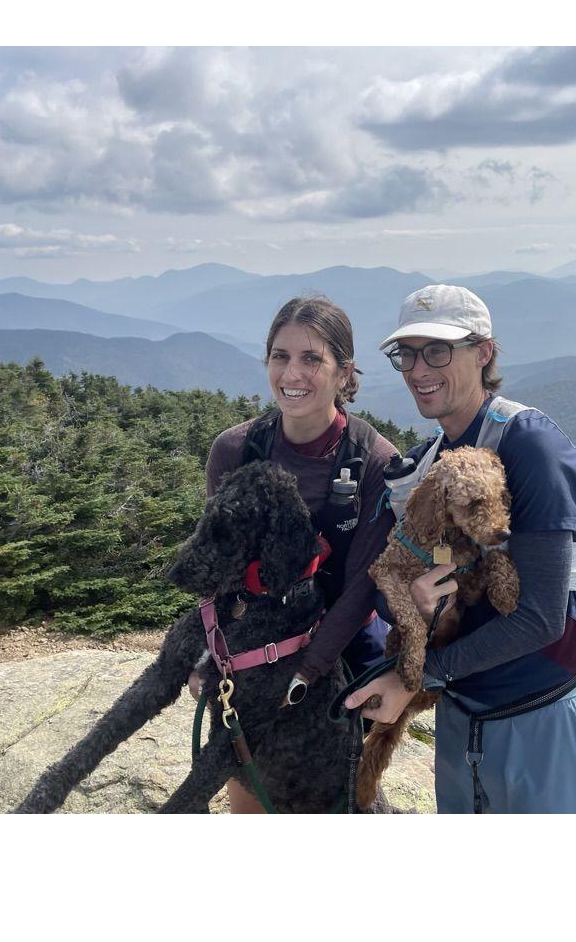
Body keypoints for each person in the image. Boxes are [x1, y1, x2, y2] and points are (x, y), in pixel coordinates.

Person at [345, 283, 576, 814]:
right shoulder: (434, 462)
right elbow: (395, 576)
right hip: (464, 713)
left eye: (437, 351)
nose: (418, 370)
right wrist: (418, 604)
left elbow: (540, 619)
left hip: (541, 713)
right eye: (407, 354)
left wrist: (416, 675)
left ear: (484, 352)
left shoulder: (530, 447)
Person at [189, 296, 398, 813]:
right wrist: (208, 652)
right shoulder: (235, 451)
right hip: (249, 652)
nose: (292, 372)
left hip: (337, 653)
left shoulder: (374, 461)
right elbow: (219, 569)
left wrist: (303, 675)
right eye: (279, 356)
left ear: (344, 372)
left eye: (312, 358)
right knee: (251, 802)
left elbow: (361, 588)